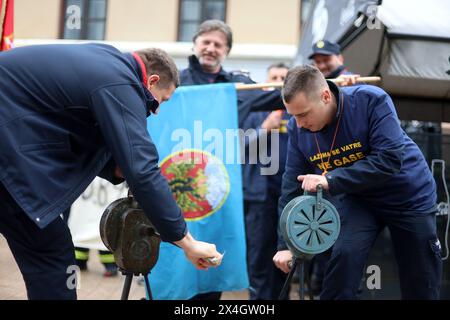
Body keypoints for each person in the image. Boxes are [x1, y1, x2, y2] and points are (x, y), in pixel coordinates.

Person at [0, 43, 222, 300]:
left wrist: (118, 169)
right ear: (152, 80)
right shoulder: (120, 81)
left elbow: (74, 126)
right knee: (53, 259)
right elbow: (142, 168)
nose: (156, 109)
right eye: (161, 99)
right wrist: (187, 242)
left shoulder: (105, 61)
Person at [273, 65, 442, 299]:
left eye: (303, 114)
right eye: (293, 116)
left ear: (325, 96)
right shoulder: (297, 128)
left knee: (420, 276)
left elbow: (389, 159)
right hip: (358, 198)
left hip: (408, 195)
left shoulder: (370, 100)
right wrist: (286, 244)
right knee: (343, 257)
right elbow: (291, 185)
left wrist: (330, 179)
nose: (299, 124)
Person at [180, 19, 283, 300]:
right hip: (184, 187)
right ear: (196, 43)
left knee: (214, 256)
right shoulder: (177, 82)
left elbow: (282, 95)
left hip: (222, 189)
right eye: (206, 42)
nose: (211, 48)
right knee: (183, 258)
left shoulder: (240, 86)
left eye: (218, 44)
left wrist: (334, 86)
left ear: (226, 51)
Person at [242, 63, 290, 299]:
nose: (279, 81)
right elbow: (238, 150)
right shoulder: (253, 110)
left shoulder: (296, 110)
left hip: (289, 197)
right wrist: (264, 129)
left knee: (286, 258)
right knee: (259, 258)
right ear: (265, 82)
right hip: (258, 196)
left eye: (284, 77)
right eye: (275, 77)